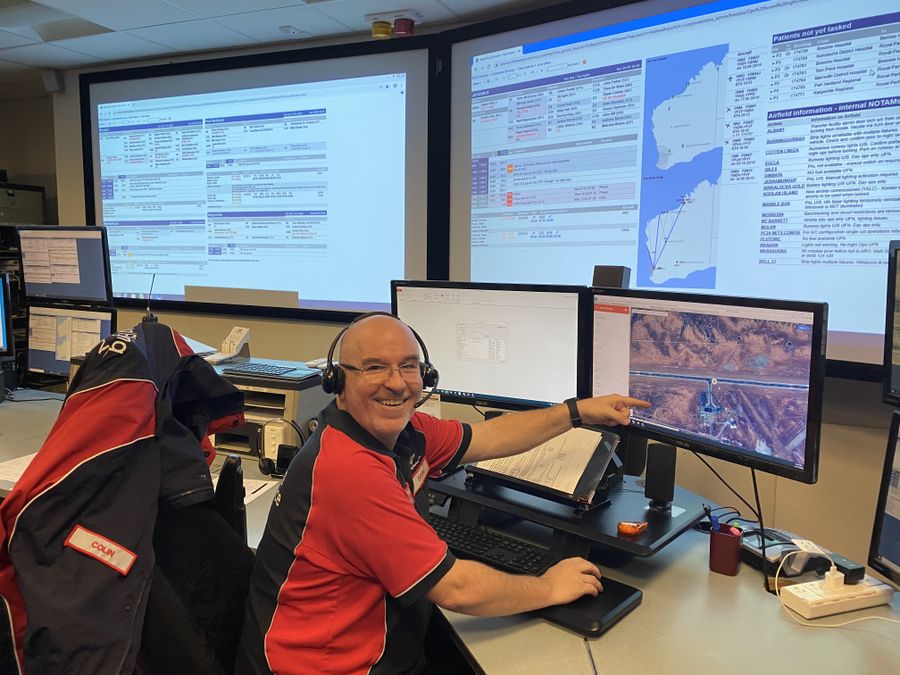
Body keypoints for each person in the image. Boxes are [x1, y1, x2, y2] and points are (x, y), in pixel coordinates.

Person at [238, 314, 650, 674]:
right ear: (338, 380)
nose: (396, 383)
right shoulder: (348, 469)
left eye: (409, 366)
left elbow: (489, 437)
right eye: (374, 367)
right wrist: (549, 587)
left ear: (427, 376)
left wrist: (577, 412)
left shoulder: (403, 432)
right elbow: (457, 589)